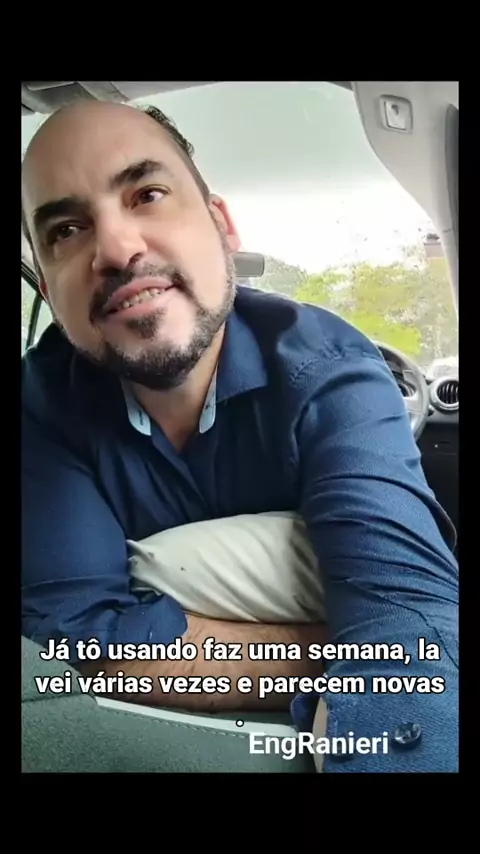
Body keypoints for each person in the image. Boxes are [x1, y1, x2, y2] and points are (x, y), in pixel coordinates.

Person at [21, 100, 459, 772]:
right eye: (67, 230)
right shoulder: (40, 405)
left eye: (148, 194)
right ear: (49, 292)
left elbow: (408, 622)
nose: (115, 249)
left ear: (222, 225)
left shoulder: (328, 367)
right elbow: (81, 633)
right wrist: (343, 653)